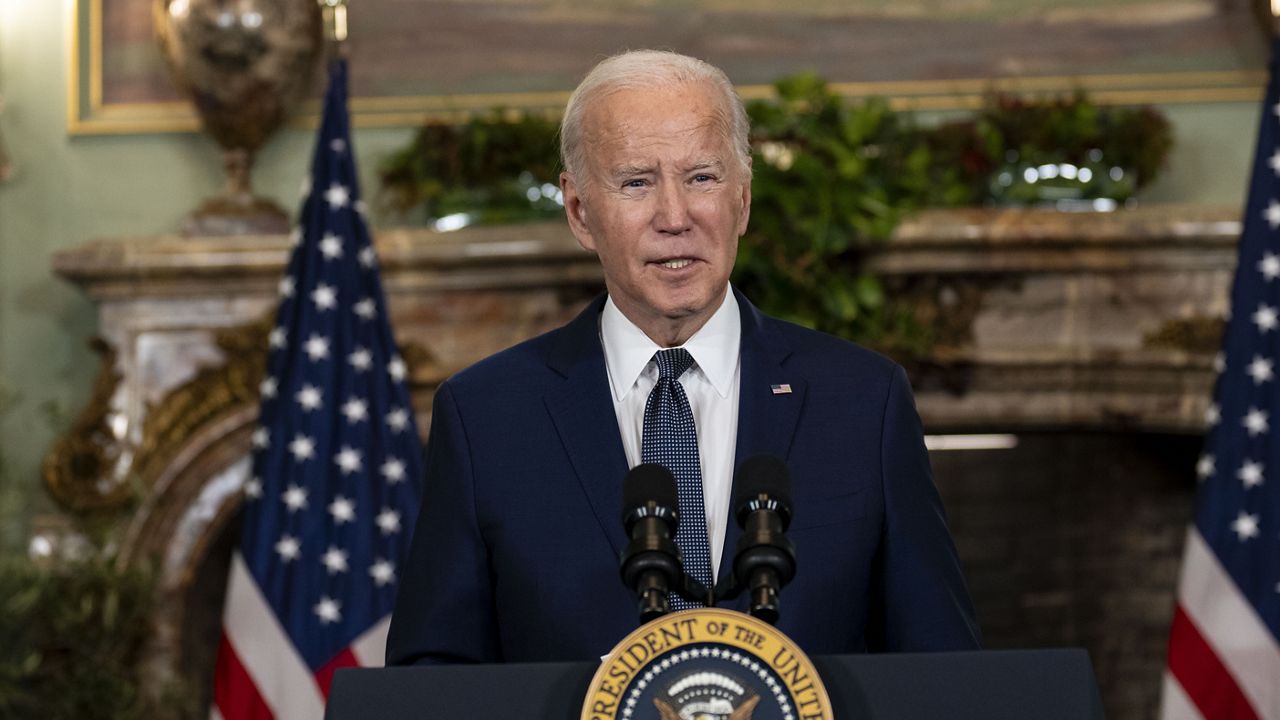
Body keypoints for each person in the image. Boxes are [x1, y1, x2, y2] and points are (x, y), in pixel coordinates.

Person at [386, 50, 980, 665]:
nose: (675, 217)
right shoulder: (486, 416)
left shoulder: (864, 400)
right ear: (580, 211)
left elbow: (941, 671)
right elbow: (432, 681)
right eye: (637, 182)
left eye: (702, 177)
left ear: (742, 200)